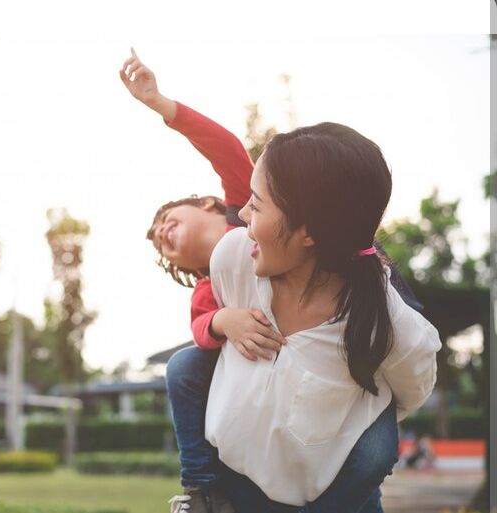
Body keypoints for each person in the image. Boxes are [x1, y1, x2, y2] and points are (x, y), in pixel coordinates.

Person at [120, 49, 427, 513]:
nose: (164, 233)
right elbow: (202, 327)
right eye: (163, 244)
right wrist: (224, 319)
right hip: (277, 395)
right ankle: (202, 491)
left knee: (373, 446)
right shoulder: (219, 276)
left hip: (360, 298)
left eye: (168, 219)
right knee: (184, 367)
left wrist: (162, 104)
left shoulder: (249, 196)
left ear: (205, 204)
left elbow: (222, 144)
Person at [204, 122, 442, 512]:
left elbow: (409, 393)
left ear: (309, 232)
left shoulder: (393, 329)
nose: (243, 215)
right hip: (230, 493)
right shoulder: (233, 261)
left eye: (257, 204)